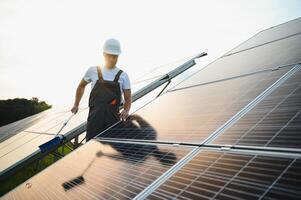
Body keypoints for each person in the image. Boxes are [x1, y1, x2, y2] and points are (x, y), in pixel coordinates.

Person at [71, 38, 132, 141]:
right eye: (109, 56)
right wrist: (76, 104)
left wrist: (126, 110)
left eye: (115, 56)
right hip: (94, 119)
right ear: (104, 54)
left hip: (113, 121)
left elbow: (128, 98)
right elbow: (81, 86)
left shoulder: (123, 76)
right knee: (91, 148)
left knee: (112, 149)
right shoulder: (93, 70)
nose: (112, 59)